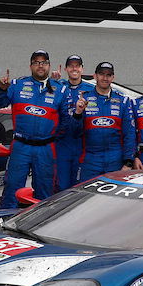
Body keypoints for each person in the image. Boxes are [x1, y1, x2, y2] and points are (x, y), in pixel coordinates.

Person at [0, 50, 71, 209]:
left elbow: (66, 122)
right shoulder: (17, 85)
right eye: (36, 62)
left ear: (49, 66)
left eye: (44, 62)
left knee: (45, 190)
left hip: (46, 148)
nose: (40, 66)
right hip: (21, 146)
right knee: (12, 186)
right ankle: (5, 221)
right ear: (30, 66)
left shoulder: (60, 90)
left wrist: (51, 136)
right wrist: (1, 89)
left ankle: (41, 225)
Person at [71, 61, 135, 182]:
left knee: (114, 199)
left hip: (115, 158)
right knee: (87, 197)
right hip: (90, 158)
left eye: (108, 75)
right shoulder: (84, 98)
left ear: (113, 78)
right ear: (95, 76)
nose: (105, 78)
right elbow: (74, 132)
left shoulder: (123, 101)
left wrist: (128, 162)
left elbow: (129, 134)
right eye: (101, 74)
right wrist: (77, 113)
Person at [55, 55, 95, 190]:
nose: (74, 68)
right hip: (62, 143)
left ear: (82, 69)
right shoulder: (59, 86)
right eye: (71, 65)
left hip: (82, 143)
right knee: (62, 186)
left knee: (79, 187)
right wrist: (52, 82)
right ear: (66, 68)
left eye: (77, 65)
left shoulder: (91, 89)